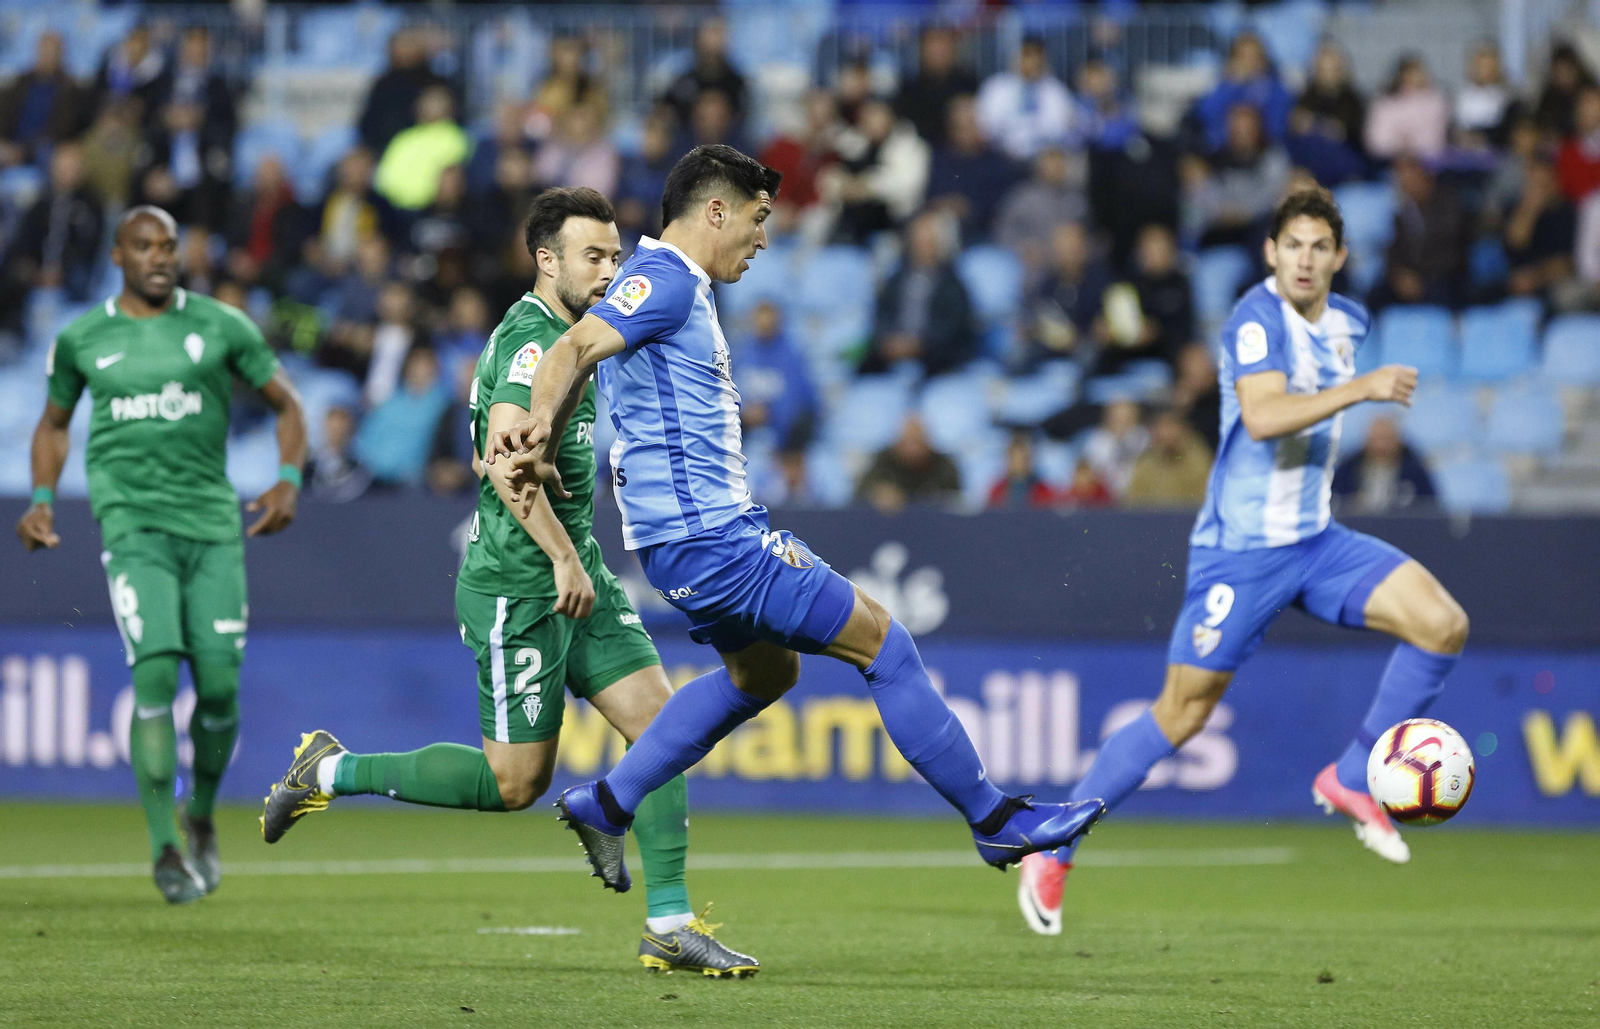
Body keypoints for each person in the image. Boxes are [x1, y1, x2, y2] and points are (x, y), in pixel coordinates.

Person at [484, 144, 1103, 899]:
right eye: (758, 217)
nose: (764, 236)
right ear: (716, 211)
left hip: (681, 545)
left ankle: (605, 801)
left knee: (765, 671)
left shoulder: (666, 285)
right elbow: (573, 345)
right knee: (886, 642)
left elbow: (586, 357)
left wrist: (551, 423)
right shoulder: (666, 280)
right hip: (713, 541)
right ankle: (994, 818)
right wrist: (539, 425)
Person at [260, 188, 759, 977]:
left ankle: (669, 921)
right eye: (592, 257)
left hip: (580, 571)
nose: (608, 271)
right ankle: (325, 768)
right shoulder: (530, 348)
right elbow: (504, 466)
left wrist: (578, 556)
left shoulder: (583, 334)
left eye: (615, 256)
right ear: (546, 260)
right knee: (514, 782)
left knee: (664, 732)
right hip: (519, 586)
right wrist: (562, 556)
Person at [1015, 188, 1470, 937]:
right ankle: (1054, 842)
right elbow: (1261, 417)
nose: (1305, 258)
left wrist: (1352, 387)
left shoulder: (1350, 321)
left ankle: (1353, 776)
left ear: (1339, 258)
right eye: (1293, 244)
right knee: (1182, 713)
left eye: (1320, 247)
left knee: (1441, 623)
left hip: (1317, 542)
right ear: (1270, 251)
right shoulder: (1255, 320)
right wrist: (1361, 390)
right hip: (1240, 554)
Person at [15, 206, 308, 904]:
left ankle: (201, 813)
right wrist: (43, 496)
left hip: (212, 528)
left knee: (217, 689)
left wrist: (289, 479)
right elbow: (53, 424)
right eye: (145, 246)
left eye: (170, 245)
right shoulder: (84, 338)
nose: (160, 256)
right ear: (118, 255)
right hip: (132, 528)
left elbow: (288, 404)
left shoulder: (220, 325)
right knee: (154, 677)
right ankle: (165, 848)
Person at [859, 209, 977, 377]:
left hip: (936, 361)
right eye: (918, 240)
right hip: (891, 357)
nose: (922, 246)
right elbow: (882, 313)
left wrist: (919, 345)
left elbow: (954, 327)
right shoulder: (897, 278)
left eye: (928, 241)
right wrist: (889, 342)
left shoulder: (953, 284)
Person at [975, 36, 1075, 161]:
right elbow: (985, 125)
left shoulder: (1056, 91)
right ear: (1015, 57)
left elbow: (1061, 129)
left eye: (1036, 56)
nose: (1031, 61)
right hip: (1000, 155)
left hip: (1043, 159)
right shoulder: (996, 87)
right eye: (1026, 55)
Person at [855, 413, 962, 514]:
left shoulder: (944, 465)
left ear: (928, 441)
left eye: (917, 441)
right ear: (898, 442)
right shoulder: (884, 460)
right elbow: (861, 491)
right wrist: (878, 492)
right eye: (908, 442)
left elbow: (955, 501)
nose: (912, 449)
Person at [894, 25, 978, 150]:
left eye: (943, 46)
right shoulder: (908, 90)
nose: (937, 52)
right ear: (921, 50)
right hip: (918, 153)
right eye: (931, 46)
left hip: (960, 155)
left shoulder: (970, 85)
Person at [1332, 416, 1436, 514]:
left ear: (1398, 441)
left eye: (1387, 439)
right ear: (1366, 440)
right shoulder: (1347, 469)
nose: (1382, 446)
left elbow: (1430, 507)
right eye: (1377, 439)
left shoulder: (1415, 472)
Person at [1122, 408, 1213, 508]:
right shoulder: (1145, 465)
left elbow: (1204, 503)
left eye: (1172, 426)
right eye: (1163, 427)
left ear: (1183, 429)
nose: (1168, 433)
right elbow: (1133, 502)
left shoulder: (1199, 462)